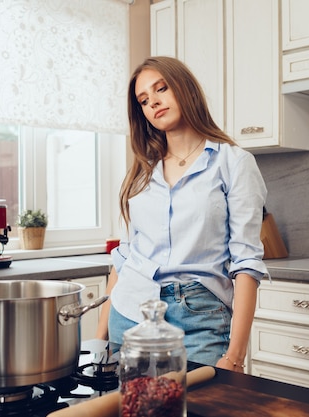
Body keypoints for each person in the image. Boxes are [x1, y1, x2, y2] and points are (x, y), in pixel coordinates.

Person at [95, 56, 268, 373]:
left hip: (199, 318)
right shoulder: (142, 172)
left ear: (185, 89)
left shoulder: (233, 162)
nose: (154, 102)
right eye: (144, 100)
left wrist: (234, 357)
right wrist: (98, 341)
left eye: (161, 89)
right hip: (130, 313)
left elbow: (246, 263)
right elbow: (125, 256)